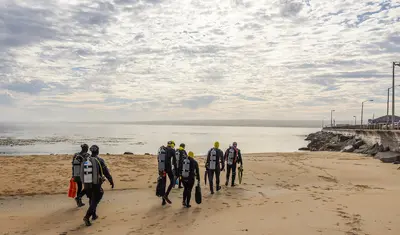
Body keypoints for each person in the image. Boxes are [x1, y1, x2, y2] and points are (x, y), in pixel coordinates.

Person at [82, 145, 114, 226]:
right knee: (95, 200)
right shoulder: (100, 160)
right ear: (98, 151)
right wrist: (111, 180)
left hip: (87, 183)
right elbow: (106, 172)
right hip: (96, 184)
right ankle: (87, 216)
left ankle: (94, 215)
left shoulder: (86, 159)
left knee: (91, 198)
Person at [158, 141, 177, 205]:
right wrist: (176, 170)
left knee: (163, 183)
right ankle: (166, 195)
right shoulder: (172, 150)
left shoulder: (162, 149)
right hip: (168, 168)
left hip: (161, 169)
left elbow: (158, 159)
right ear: (172, 145)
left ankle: (163, 201)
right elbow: (174, 161)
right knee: (172, 182)